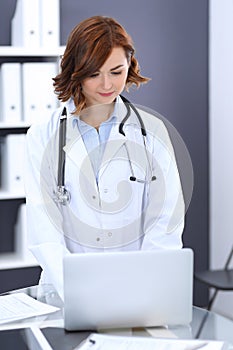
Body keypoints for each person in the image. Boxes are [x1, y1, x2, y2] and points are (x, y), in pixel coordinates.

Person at [25, 16, 184, 300]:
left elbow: (165, 221)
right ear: (75, 70)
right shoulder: (42, 135)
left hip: (137, 289)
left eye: (116, 71)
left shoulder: (152, 132)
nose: (107, 84)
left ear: (130, 64)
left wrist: (143, 287)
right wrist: (80, 292)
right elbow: (43, 230)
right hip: (66, 293)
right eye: (94, 74)